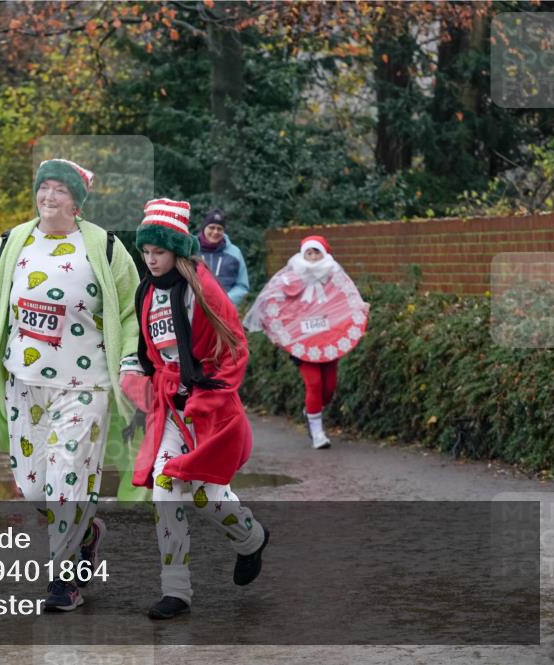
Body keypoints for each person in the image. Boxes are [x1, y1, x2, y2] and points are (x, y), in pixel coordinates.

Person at [0, 158, 140, 612]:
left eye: (60, 190)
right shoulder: (13, 242)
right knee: (35, 486)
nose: (49, 197)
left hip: (86, 382)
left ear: (77, 202)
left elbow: (129, 312)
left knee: (68, 476)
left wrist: (131, 364)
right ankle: (89, 533)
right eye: (44, 188)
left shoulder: (106, 246)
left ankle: (63, 582)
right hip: (24, 383)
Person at [122, 198, 269, 620]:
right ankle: (176, 591)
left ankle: (251, 539)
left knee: (207, 497)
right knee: (165, 491)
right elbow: (150, 354)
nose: (151, 260)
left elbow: (235, 348)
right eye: (146, 252)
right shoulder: (146, 290)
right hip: (170, 406)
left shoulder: (202, 290)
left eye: (159, 252)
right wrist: (143, 391)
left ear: (178, 251)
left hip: (209, 408)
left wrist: (208, 397)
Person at [242, 235, 369, 449]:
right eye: (308, 253)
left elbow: (347, 299)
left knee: (328, 388)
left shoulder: (335, 276)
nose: (312, 257)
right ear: (302, 255)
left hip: (330, 339)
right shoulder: (290, 277)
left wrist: (360, 307)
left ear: (324, 254)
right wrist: (277, 331)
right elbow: (272, 302)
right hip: (303, 345)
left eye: (316, 252)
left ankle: (312, 411)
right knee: (314, 384)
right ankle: (317, 432)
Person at [196, 208, 249, 307]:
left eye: (219, 228)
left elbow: (242, 285)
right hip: (195, 310)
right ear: (204, 228)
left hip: (225, 311)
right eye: (211, 227)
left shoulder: (235, 253)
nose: (215, 232)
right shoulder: (190, 251)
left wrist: (225, 301)